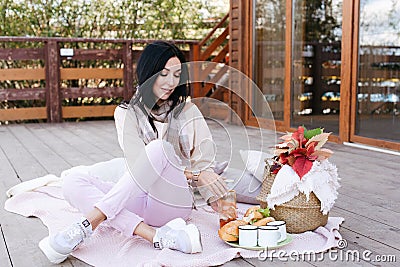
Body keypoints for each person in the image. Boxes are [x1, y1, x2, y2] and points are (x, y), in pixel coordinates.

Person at [38, 41, 228, 264]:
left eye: (176, 75)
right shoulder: (126, 113)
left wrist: (214, 195)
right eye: (163, 73)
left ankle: (87, 224)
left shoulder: (188, 111)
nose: (171, 82)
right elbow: (140, 165)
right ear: (148, 73)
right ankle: (156, 236)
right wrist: (195, 174)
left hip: (173, 201)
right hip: (140, 199)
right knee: (71, 181)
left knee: (159, 149)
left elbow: (204, 164)